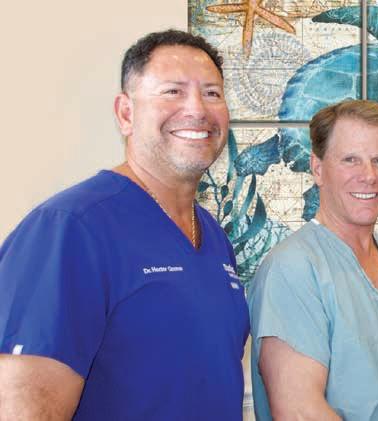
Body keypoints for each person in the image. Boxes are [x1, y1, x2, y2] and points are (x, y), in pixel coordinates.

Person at [0, 29, 250, 420]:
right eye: (172, 91)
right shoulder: (70, 228)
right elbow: (24, 410)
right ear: (126, 114)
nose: (197, 108)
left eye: (212, 93)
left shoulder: (214, 237)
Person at [248, 100, 378, 420]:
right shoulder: (293, 270)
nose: (368, 176)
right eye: (350, 160)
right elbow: (300, 412)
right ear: (317, 168)